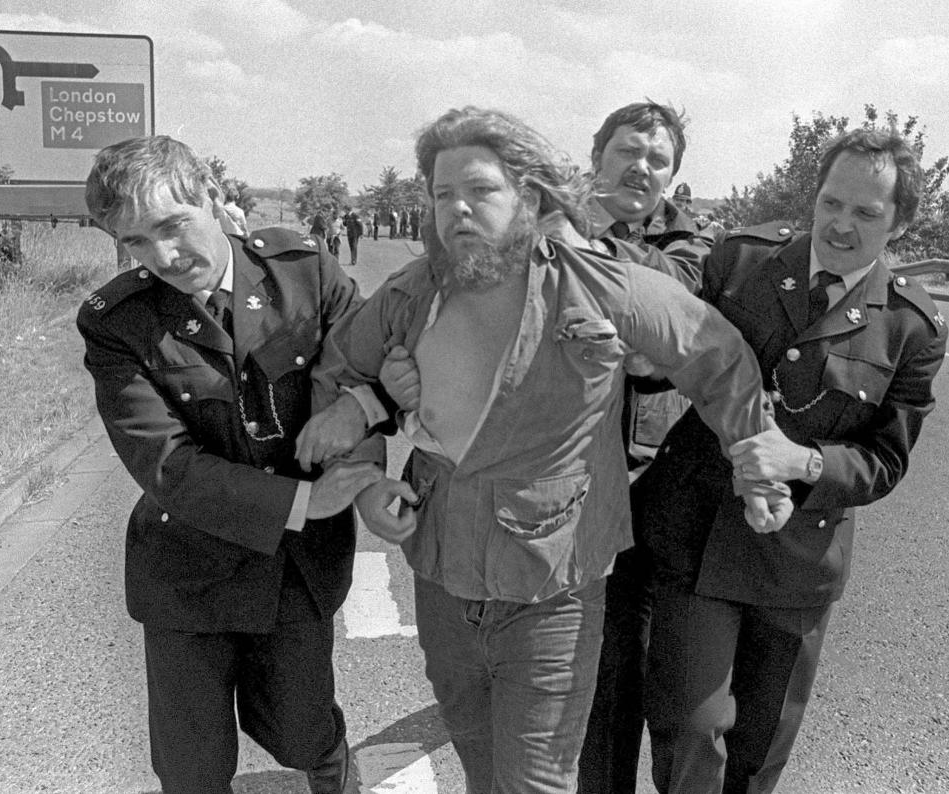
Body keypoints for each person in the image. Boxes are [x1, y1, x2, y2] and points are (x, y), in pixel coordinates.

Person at [310, 106, 792, 794]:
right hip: (443, 577)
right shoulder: (415, 291)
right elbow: (340, 371)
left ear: (529, 197)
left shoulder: (600, 286)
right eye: (443, 194)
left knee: (535, 782)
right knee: (480, 761)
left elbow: (716, 357)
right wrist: (361, 478)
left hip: (551, 587)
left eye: (480, 190)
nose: (458, 210)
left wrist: (756, 462)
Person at [637, 128, 949, 793]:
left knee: (757, 755)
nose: (840, 224)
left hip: (797, 564)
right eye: (831, 203)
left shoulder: (911, 328)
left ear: (899, 222)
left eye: (866, 213)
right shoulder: (743, 262)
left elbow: (884, 462)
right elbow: (674, 352)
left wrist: (803, 462)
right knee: (692, 729)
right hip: (698, 541)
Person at [76, 135, 385, 794]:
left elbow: (375, 363)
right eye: (135, 241)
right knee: (192, 764)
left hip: (297, 569)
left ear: (212, 199)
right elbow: (168, 465)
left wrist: (358, 421)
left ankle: (335, 775)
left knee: (304, 729)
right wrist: (308, 502)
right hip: (188, 570)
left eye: (172, 226)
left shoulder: (304, 274)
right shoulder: (118, 323)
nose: (162, 256)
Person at [577, 99, 712, 794]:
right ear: (596, 156)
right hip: (567, 492)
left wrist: (581, 246)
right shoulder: (544, 224)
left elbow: (667, 297)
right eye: (629, 151)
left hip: (651, 493)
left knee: (666, 689)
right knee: (598, 689)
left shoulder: (687, 244)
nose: (642, 167)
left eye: (659, 160)